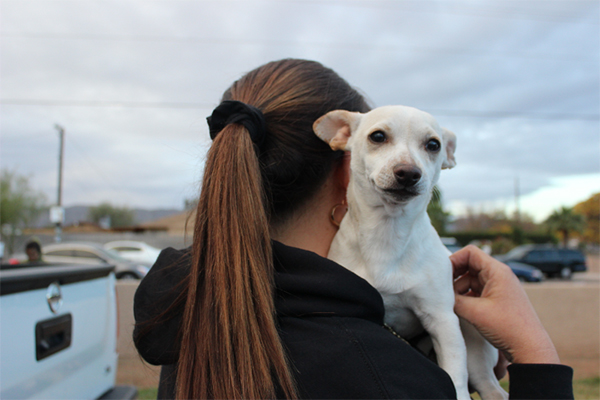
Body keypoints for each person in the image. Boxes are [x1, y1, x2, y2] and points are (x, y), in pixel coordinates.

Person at [133, 59, 573, 399]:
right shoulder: (383, 376)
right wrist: (536, 354)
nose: (407, 165)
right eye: (379, 139)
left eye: (429, 147)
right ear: (347, 167)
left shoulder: (194, 322)